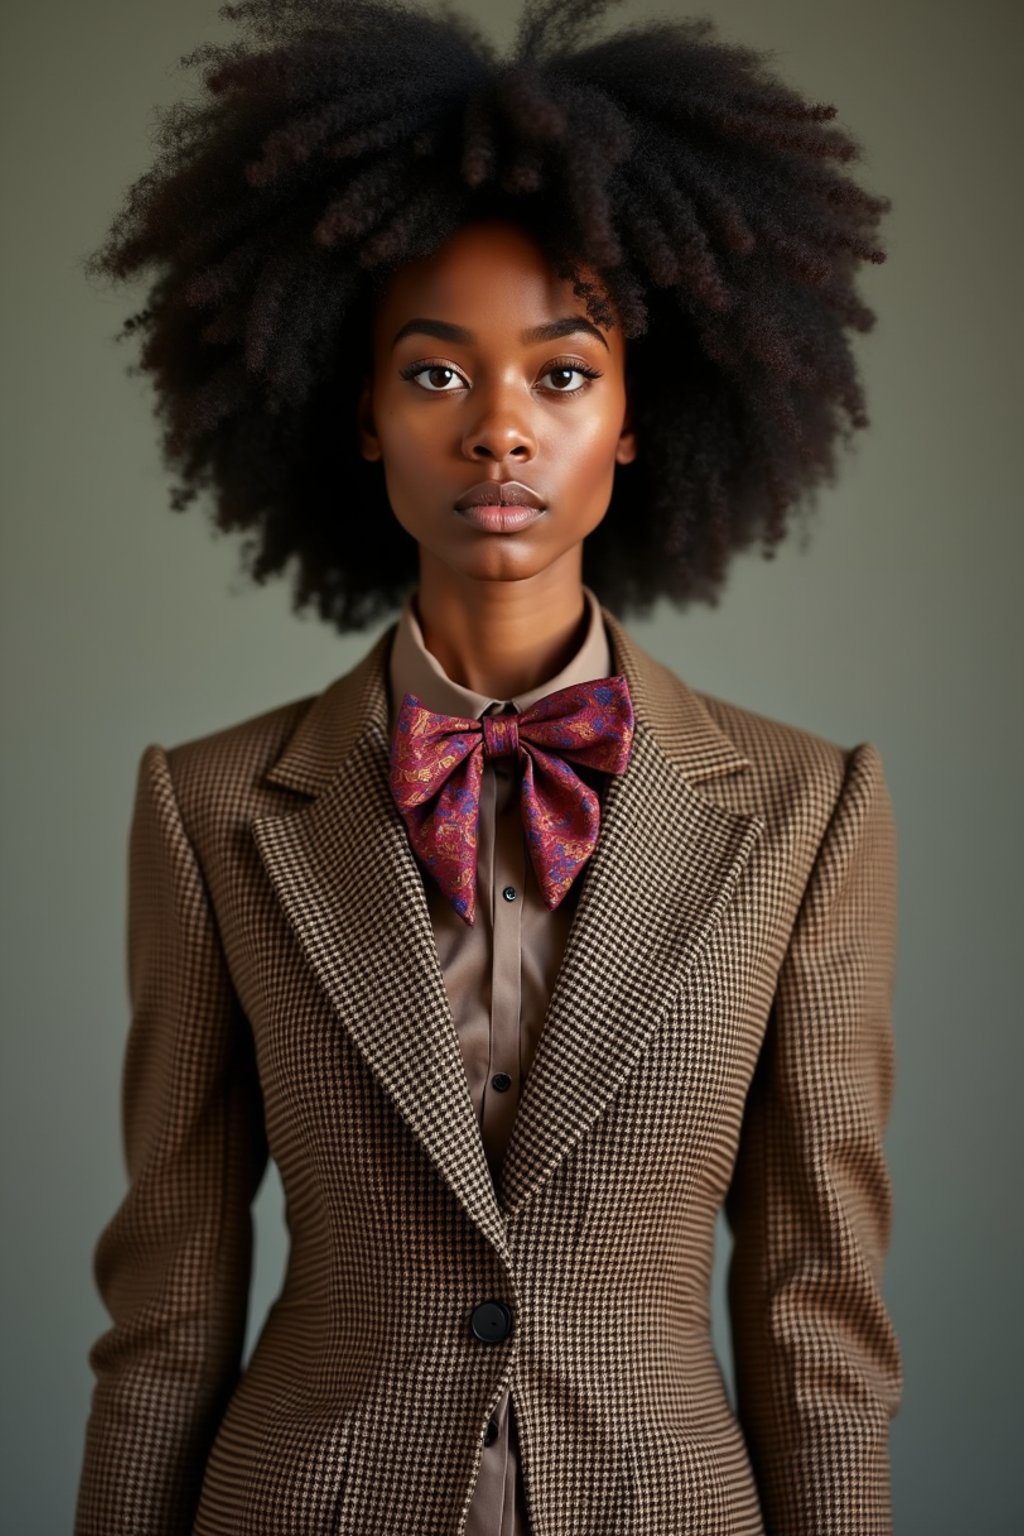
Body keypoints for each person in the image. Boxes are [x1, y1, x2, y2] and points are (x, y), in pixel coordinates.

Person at [74, 2, 903, 1533]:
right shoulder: (209, 809)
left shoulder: (806, 810)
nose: (502, 432)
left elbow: (816, 1316)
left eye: (565, 375)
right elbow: (169, 1313)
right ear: (362, 413)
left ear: (642, 417)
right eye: (439, 375)